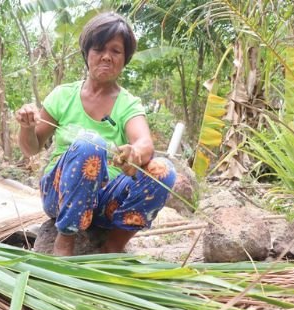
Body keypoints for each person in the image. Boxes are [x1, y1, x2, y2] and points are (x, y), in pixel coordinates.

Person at [15, 12, 177, 256]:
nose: (106, 57)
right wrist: (26, 127)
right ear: (86, 54)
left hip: (105, 203)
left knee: (163, 170)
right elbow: (31, 147)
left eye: (115, 51)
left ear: (125, 59)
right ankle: (65, 239)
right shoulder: (63, 96)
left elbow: (144, 143)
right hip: (59, 197)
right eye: (99, 49)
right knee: (91, 144)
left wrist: (135, 152)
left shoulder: (128, 104)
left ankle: (113, 245)